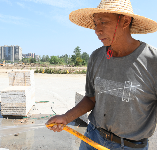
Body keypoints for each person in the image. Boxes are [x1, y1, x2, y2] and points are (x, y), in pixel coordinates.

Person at [45, 0, 157, 149]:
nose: (97, 30)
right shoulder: (97, 57)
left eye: (103, 22)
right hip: (93, 137)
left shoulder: (152, 61)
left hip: (129, 146)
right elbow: (91, 98)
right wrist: (66, 117)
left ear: (125, 21)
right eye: (95, 23)